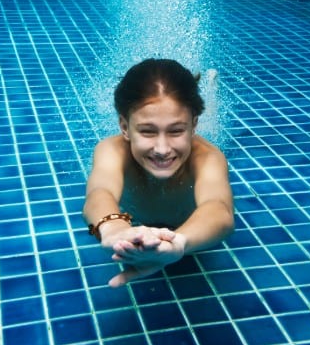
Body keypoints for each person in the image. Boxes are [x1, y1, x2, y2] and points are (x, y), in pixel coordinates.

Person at [84, 58, 234, 288]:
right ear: (124, 127)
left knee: (211, 126)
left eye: (176, 130)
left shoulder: (207, 158)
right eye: (147, 131)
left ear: (193, 127)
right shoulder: (112, 150)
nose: (162, 150)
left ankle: (210, 87)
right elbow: (99, 192)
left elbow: (219, 210)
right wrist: (114, 228)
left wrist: (179, 242)